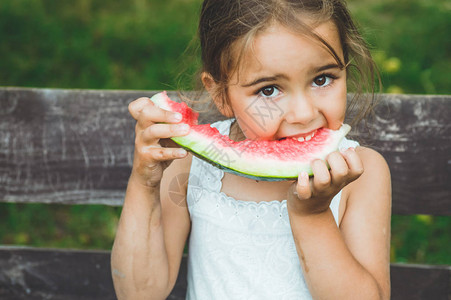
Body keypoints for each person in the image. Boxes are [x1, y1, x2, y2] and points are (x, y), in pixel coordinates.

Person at [111, 0, 392, 299]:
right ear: (220, 94)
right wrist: (145, 183)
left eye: (322, 79)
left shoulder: (361, 173)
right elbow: (139, 293)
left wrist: (313, 215)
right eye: (268, 90)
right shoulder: (188, 163)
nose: (303, 113)